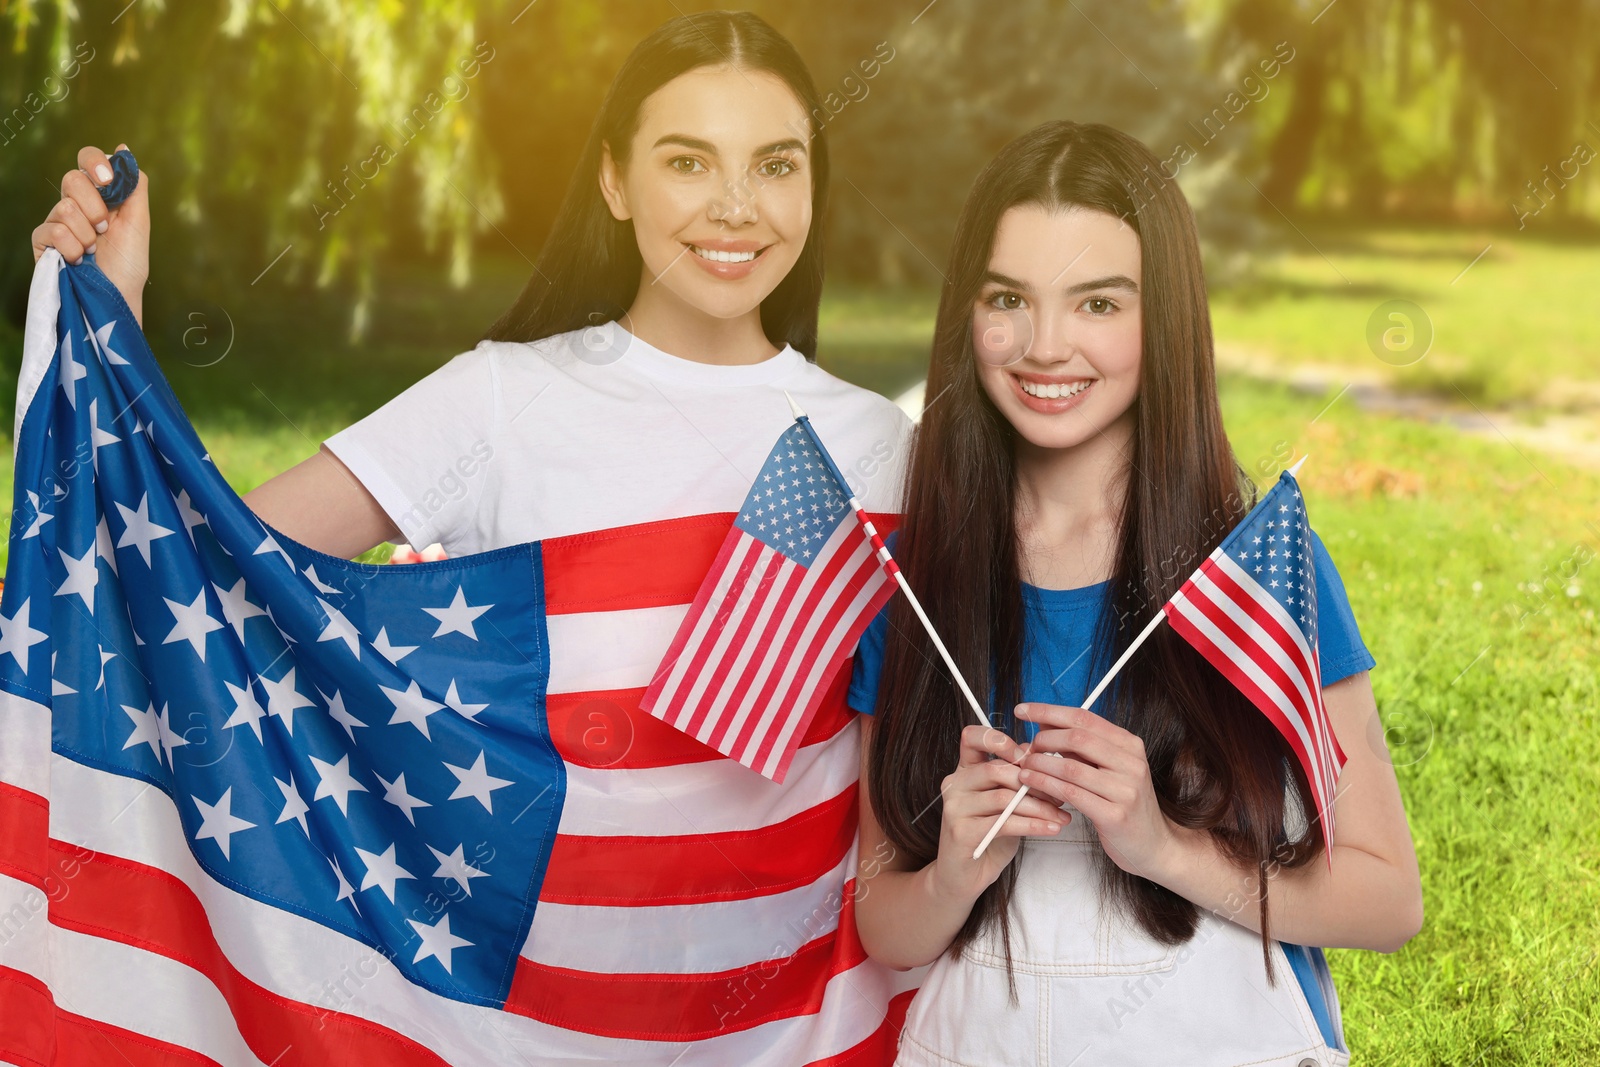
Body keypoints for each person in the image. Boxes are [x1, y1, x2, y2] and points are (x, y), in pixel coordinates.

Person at [32, 11, 914, 1064]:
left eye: (775, 163)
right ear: (615, 182)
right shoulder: (503, 397)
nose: (736, 205)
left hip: (791, 1032)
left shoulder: (879, 442)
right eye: (687, 161)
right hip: (522, 1026)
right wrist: (116, 314)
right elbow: (201, 573)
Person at [848, 121, 1422, 1066]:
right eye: (1008, 299)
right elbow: (886, 926)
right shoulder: (916, 582)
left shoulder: (1259, 569)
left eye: (1097, 304)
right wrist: (952, 873)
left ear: (1165, 318)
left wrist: (1161, 847)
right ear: (967, 313)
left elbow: (1389, 897)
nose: (1044, 345)